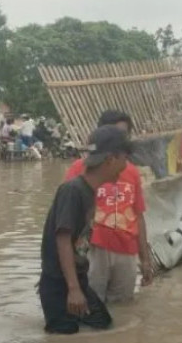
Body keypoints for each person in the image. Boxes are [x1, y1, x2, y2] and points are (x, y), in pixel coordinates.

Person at [39, 125, 133, 334]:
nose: (126, 166)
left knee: (102, 324)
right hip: (59, 284)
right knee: (64, 342)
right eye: (124, 159)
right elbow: (63, 240)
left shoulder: (89, 191)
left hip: (76, 280)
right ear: (110, 160)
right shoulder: (73, 191)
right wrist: (72, 289)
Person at [65, 110, 154, 304]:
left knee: (123, 308)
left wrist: (145, 259)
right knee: (90, 304)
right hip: (93, 249)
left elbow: (138, 215)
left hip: (126, 250)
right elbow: (65, 222)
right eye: (114, 134)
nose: (118, 140)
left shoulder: (131, 172)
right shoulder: (79, 170)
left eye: (123, 136)